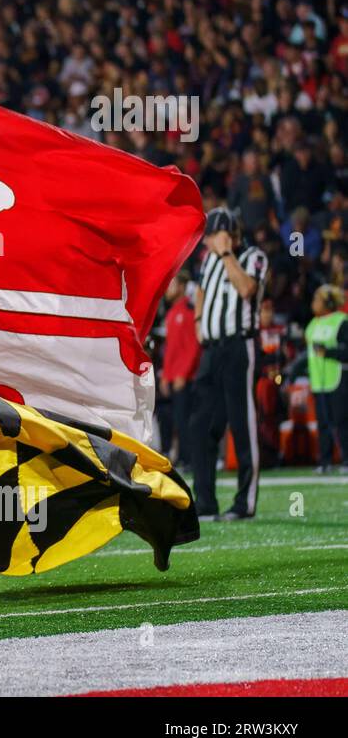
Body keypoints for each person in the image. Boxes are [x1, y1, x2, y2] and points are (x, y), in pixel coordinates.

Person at [189, 207, 269, 520]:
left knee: (242, 424)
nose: (208, 243)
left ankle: (244, 503)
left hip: (239, 347)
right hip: (212, 351)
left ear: (231, 235)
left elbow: (247, 289)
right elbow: (200, 289)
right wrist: (198, 320)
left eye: (213, 236)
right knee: (201, 426)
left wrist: (225, 254)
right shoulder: (208, 261)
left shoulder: (253, 257)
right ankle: (205, 502)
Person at [304, 284, 348, 475]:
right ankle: (325, 461)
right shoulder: (313, 324)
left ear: (328, 303)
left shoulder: (342, 321)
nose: (313, 304)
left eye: (317, 299)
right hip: (318, 381)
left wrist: (327, 352)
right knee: (323, 423)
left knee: (342, 421)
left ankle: (346, 459)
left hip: (338, 378)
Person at [157, 273, 199, 462]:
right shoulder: (172, 313)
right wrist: (166, 375)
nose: (168, 288)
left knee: (185, 420)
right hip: (173, 378)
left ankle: (189, 459)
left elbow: (193, 347)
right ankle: (178, 456)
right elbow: (171, 349)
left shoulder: (189, 311)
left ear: (182, 286)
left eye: (171, 284)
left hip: (186, 378)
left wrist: (184, 373)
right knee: (175, 419)